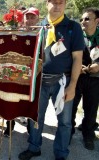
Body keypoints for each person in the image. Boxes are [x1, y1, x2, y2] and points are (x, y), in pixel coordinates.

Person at [18, 0, 84, 160]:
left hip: (63, 81)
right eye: (53, 2)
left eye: (60, 2)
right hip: (39, 81)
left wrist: (73, 86)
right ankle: (34, 147)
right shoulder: (39, 26)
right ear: (47, 3)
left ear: (65, 4)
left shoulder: (73, 27)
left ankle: (61, 153)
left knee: (65, 122)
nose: (57, 5)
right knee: (36, 118)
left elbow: (77, 58)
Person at [4, 7, 40, 137]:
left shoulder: (41, 33)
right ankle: (10, 125)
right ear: (23, 19)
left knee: (31, 101)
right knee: (12, 99)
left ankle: (31, 129)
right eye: (27, 17)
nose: (30, 20)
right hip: (17, 71)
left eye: (32, 17)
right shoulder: (17, 32)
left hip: (33, 73)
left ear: (38, 19)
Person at [71, 7, 99, 150]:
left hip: (95, 80)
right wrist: (78, 67)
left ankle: (88, 135)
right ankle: (68, 133)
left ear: (97, 21)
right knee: (71, 106)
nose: (83, 21)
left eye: (87, 18)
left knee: (91, 109)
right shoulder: (77, 36)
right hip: (77, 77)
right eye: (81, 19)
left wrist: (94, 67)